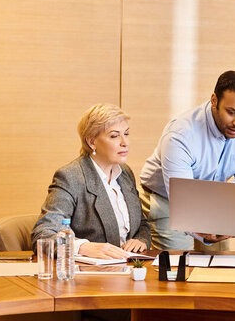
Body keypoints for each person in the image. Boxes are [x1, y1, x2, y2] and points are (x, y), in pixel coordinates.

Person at [139, 70, 235, 250]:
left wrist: (231, 211)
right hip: (167, 200)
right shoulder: (181, 134)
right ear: (214, 100)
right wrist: (204, 232)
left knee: (220, 268)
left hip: (214, 200)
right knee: (180, 264)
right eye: (232, 112)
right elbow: (182, 198)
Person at [32, 104, 151, 259]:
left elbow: (142, 223)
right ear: (92, 142)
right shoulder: (71, 176)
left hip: (128, 268)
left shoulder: (125, 173)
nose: (125, 142)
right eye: (114, 136)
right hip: (88, 276)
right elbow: (43, 235)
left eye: (126, 134)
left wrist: (141, 239)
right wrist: (82, 247)